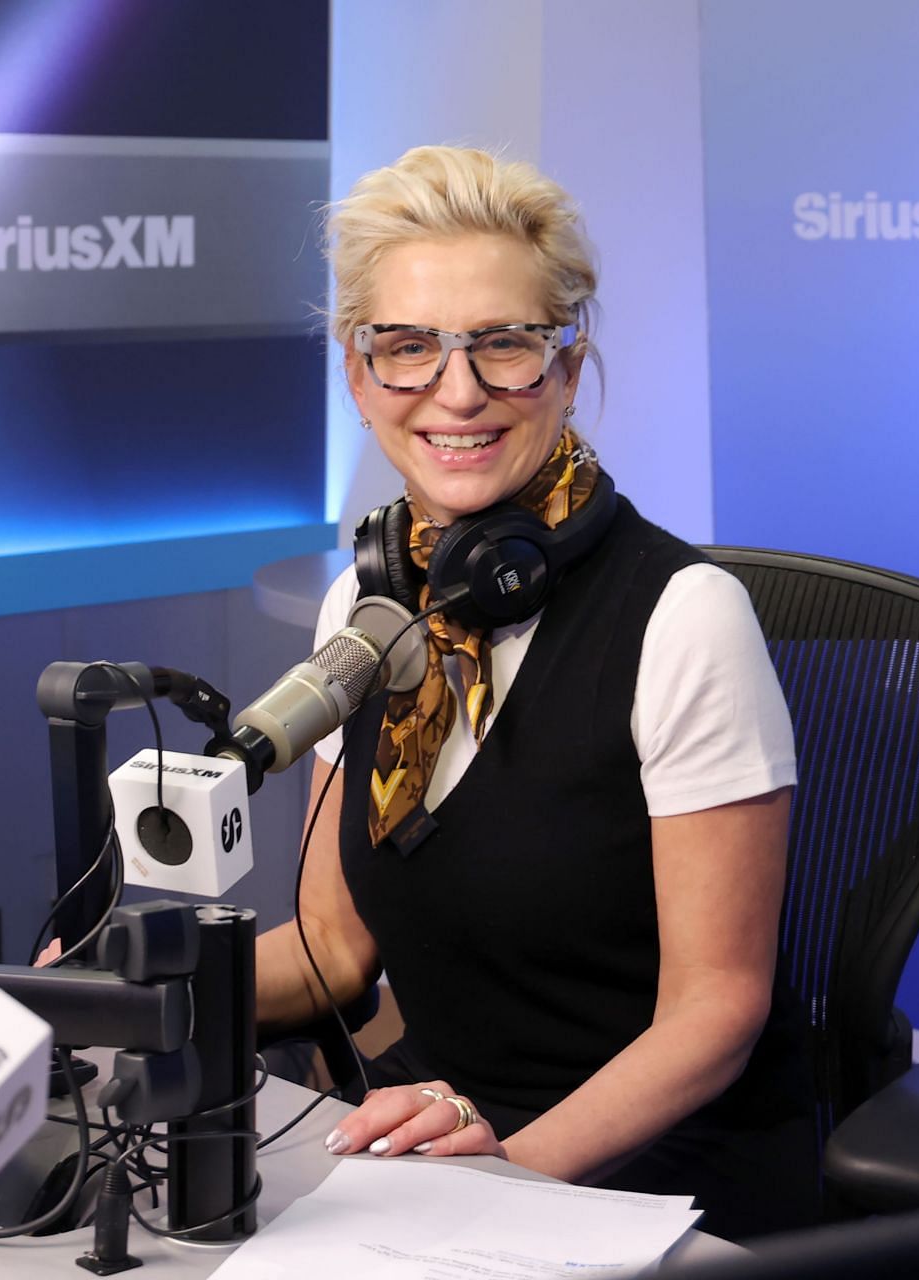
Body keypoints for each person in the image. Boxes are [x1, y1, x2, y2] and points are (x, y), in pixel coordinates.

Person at [252, 145, 819, 1241]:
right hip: (433, 1134)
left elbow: (715, 1013)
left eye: (505, 345)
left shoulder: (682, 617)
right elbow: (335, 945)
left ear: (565, 365)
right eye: (408, 348)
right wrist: (127, 995)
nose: (455, 392)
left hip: (655, 1170)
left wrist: (503, 1178)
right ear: (359, 373)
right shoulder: (366, 611)